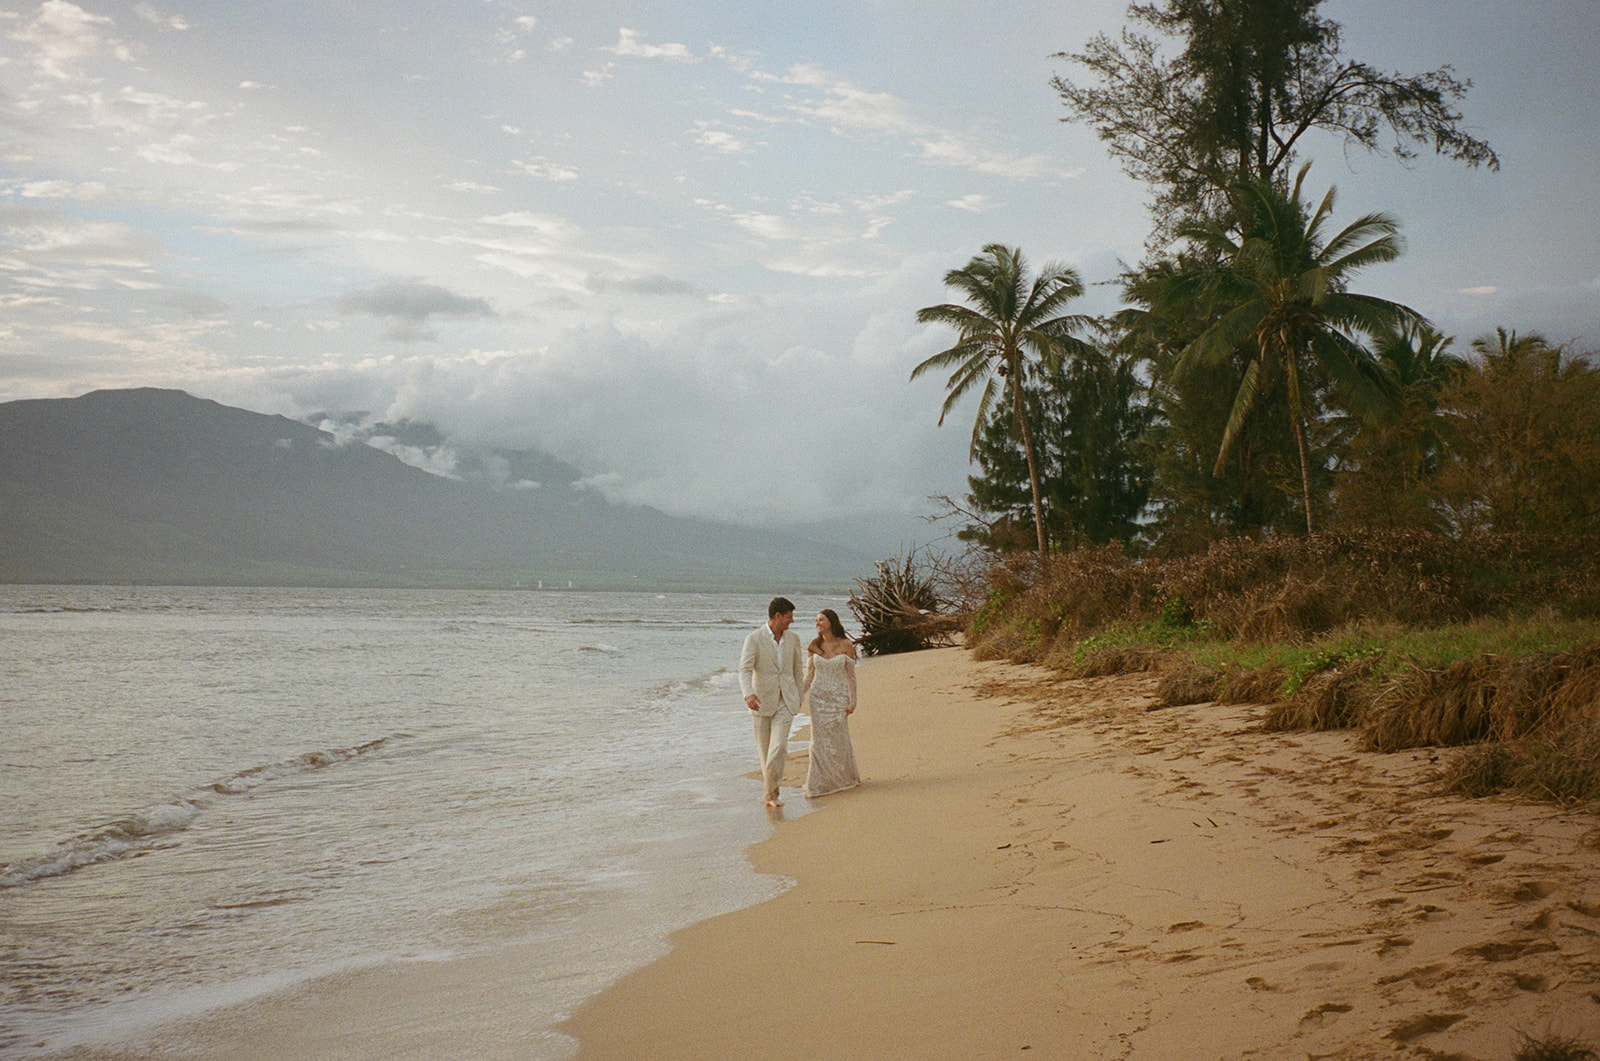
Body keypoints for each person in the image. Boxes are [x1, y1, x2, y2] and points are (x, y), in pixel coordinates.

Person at [739, 597, 805, 807]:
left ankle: (771, 794)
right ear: (778, 616)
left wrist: (799, 696)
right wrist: (748, 694)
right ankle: (771, 794)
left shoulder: (793, 639)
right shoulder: (754, 639)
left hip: (786, 699)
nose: (792, 620)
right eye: (789, 616)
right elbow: (744, 670)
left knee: (779, 748)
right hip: (761, 701)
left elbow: (797, 670)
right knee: (765, 751)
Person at [801, 608, 860, 798]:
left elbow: (851, 676)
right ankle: (819, 783)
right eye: (816, 620)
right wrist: (798, 696)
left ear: (831, 622)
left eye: (821, 620)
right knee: (819, 741)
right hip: (818, 698)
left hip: (838, 698)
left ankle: (843, 778)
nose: (817, 623)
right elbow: (809, 676)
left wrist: (853, 700)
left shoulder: (846, 644)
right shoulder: (813, 646)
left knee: (839, 739)